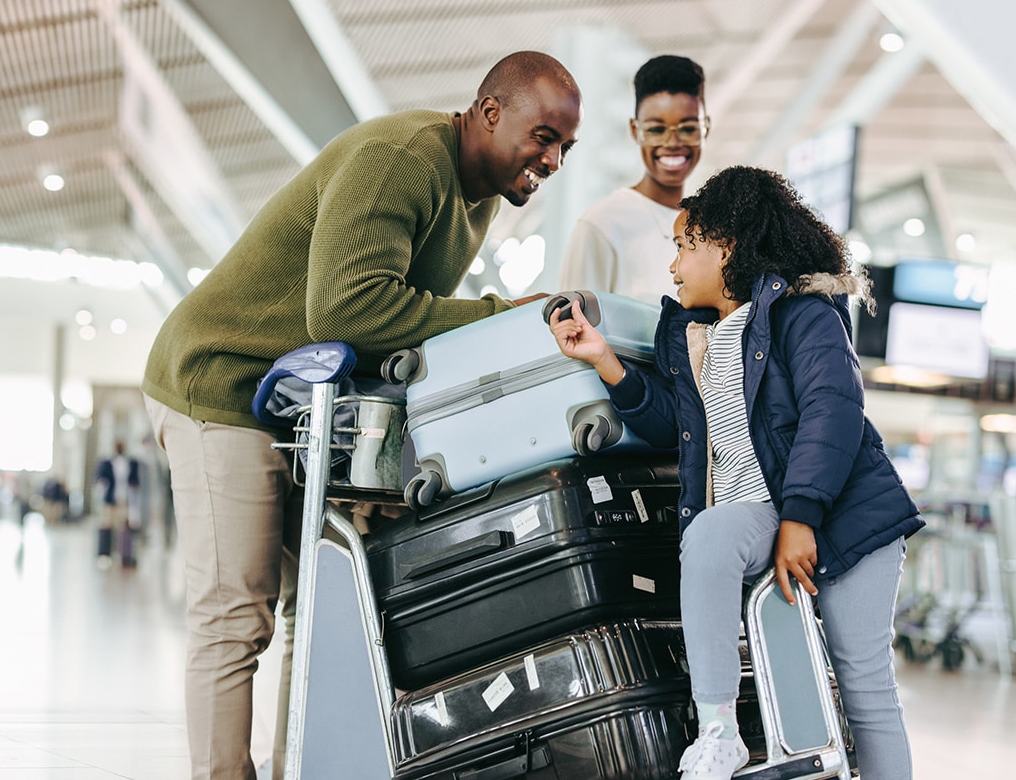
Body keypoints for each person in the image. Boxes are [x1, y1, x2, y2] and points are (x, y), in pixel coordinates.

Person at [141, 51, 582, 780]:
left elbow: (396, 327)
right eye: (543, 136)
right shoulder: (403, 159)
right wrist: (504, 316)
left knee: (317, 608)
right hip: (222, 383)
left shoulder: (477, 196)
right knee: (236, 612)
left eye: (565, 146)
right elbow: (346, 308)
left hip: (298, 406)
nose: (553, 158)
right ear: (491, 111)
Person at [548, 165, 924, 780]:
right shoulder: (699, 336)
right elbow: (679, 428)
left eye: (683, 247)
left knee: (863, 683)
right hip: (763, 512)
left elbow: (833, 413)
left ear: (724, 246)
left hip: (846, 518)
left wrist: (802, 517)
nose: (672, 266)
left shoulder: (805, 314)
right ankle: (717, 730)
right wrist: (605, 361)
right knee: (711, 536)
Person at [558, 54, 707, 305]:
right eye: (656, 130)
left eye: (688, 128)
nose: (672, 143)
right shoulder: (602, 225)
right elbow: (571, 331)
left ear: (706, 129)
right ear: (635, 131)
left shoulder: (712, 226)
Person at [94, 440, 141, 568]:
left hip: (124, 500)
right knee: (106, 526)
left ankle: (125, 556)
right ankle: (104, 555)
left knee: (125, 528)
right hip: (110, 500)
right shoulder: (107, 463)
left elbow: (135, 481)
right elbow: (100, 478)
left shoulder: (131, 463)